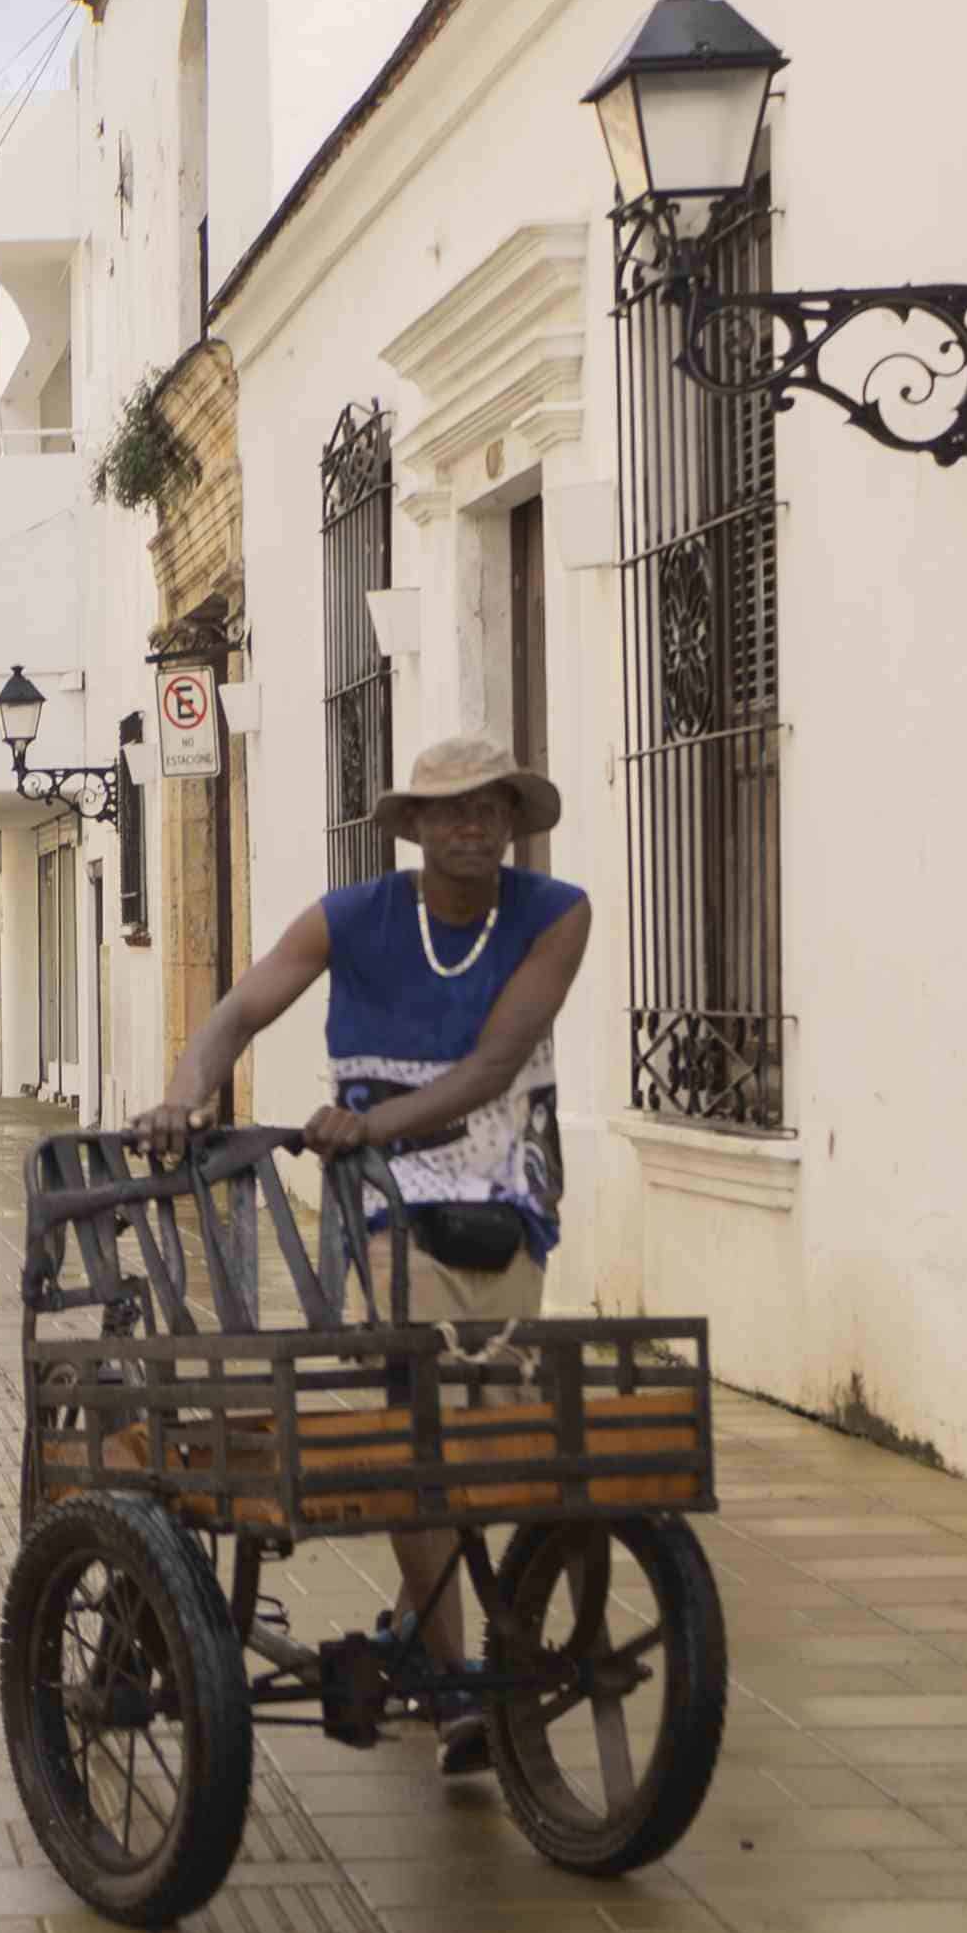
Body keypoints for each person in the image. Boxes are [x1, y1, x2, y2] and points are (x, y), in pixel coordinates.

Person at [150, 734, 591, 1772]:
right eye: (449, 811)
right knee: (417, 1418)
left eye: (489, 808)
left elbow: (493, 1064)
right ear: (414, 829)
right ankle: (450, 1686)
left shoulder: (555, 912)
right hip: (386, 1201)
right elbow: (242, 1006)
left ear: (513, 821)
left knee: (491, 1430)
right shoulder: (354, 916)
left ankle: (419, 1629)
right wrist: (184, 1092)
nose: (471, 826)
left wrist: (373, 1122)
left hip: (506, 1191)